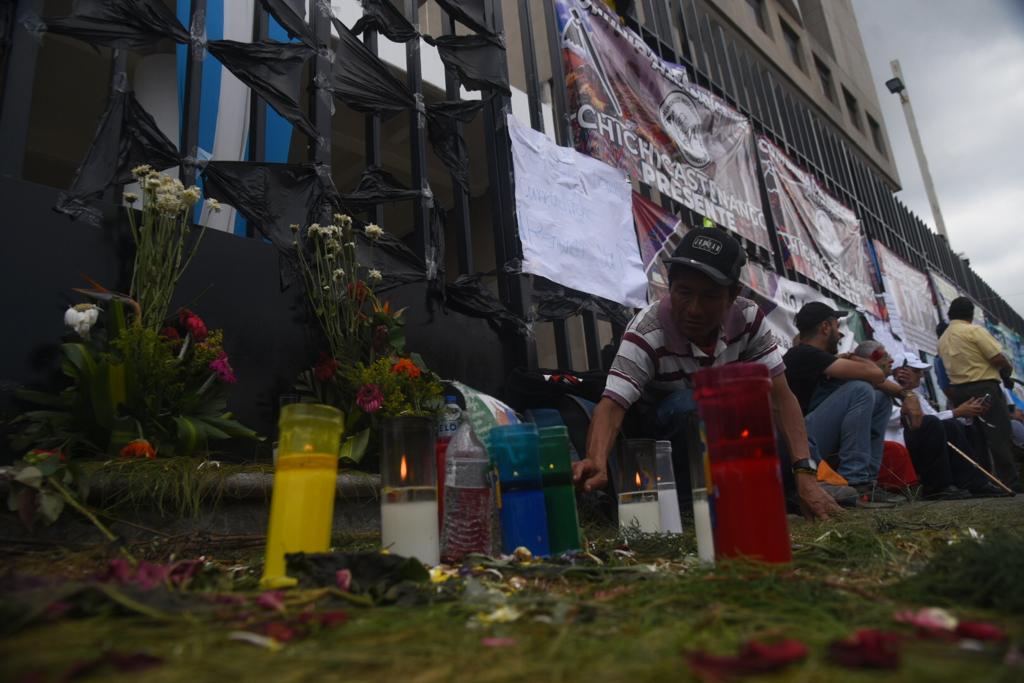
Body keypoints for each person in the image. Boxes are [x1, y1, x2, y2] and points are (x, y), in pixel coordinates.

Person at [572, 227, 843, 521]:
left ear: (733, 295)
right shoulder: (647, 331)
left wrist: (804, 471)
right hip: (668, 448)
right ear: (669, 287)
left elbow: (781, 398)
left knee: (770, 421)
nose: (694, 309)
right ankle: (693, 507)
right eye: (684, 293)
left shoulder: (749, 319)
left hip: (727, 436)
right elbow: (612, 406)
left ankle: (788, 490)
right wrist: (596, 460)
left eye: (710, 296)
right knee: (695, 405)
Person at [784, 303, 906, 505]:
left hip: (814, 438)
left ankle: (867, 482)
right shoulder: (803, 354)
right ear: (825, 327)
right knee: (860, 389)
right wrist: (857, 358)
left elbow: (882, 384)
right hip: (800, 442)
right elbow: (877, 374)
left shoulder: (819, 359)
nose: (840, 334)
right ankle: (855, 480)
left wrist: (908, 395)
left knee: (880, 399)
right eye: (836, 326)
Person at [866, 345, 1003, 498]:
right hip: (897, 443)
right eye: (917, 371)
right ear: (900, 371)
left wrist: (964, 414)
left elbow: (935, 417)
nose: (921, 376)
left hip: (913, 439)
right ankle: (938, 487)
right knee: (936, 424)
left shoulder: (914, 394)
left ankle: (973, 482)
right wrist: (956, 412)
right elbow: (916, 419)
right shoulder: (880, 390)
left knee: (952, 425)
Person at [938, 297, 1021, 491]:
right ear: (971, 314)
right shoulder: (973, 331)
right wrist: (1007, 370)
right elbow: (997, 357)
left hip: (959, 392)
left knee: (977, 439)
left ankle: (984, 483)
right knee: (998, 435)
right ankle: (1010, 484)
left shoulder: (943, 339)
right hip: (984, 388)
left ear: (950, 313)